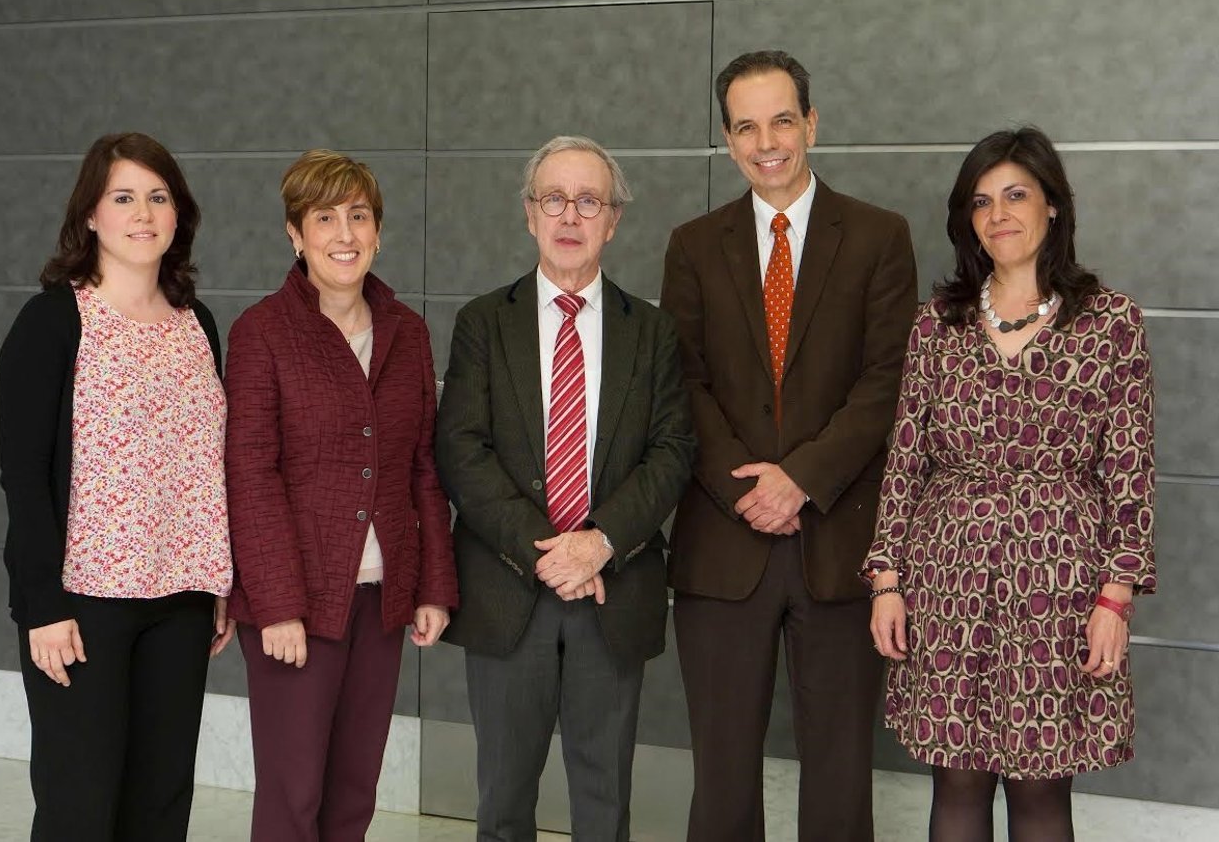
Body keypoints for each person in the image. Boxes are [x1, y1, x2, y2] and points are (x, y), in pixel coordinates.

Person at [865, 126, 1156, 841]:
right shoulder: (938, 325)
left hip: (1059, 586)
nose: (998, 214)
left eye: (1017, 194)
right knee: (957, 784)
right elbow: (906, 459)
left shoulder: (1111, 324)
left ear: (1053, 205)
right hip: (949, 577)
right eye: (981, 201)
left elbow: (1130, 473)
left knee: (1039, 791)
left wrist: (1114, 596)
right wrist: (886, 579)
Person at [660, 50, 918, 841]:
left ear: (812, 122)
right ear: (727, 139)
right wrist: (750, 489)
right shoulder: (694, 245)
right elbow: (685, 385)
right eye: (745, 126)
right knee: (723, 777)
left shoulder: (878, 237)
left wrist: (799, 480)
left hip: (838, 542)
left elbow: (887, 383)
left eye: (781, 119)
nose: (765, 140)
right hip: (722, 543)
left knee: (840, 778)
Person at [435, 135, 695, 841]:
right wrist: (550, 550)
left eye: (589, 201)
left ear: (613, 220)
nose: (570, 216)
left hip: (612, 594)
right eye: (554, 198)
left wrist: (599, 545)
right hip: (508, 589)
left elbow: (672, 452)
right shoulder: (483, 323)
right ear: (529, 213)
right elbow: (461, 448)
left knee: (605, 805)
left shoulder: (655, 331)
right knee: (503, 806)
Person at [0, 131, 234, 841]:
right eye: (123, 197)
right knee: (81, 808)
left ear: (178, 214)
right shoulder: (52, 321)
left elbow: (204, 463)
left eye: (158, 197)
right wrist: (41, 605)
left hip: (182, 603)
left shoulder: (199, 325)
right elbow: (23, 474)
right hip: (81, 606)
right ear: (91, 215)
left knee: (160, 807)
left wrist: (217, 581)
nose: (143, 213)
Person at [224, 149, 458, 842]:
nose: (344, 233)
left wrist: (433, 586)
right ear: (295, 235)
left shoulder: (405, 331)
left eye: (359, 215)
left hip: (382, 599)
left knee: (355, 793)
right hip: (298, 606)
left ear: (379, 231)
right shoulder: (263, 332)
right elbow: (250, 473)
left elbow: (423, 465)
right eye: (324, 217)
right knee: (293, 797)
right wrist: (277, 606)